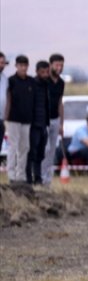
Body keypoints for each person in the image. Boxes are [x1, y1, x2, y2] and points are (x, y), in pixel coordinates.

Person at [5, 55, 35, 184]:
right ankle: (11, 174)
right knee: (13, 146)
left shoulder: (31, 81)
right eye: (20, 65)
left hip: (26, 120)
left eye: (25, 65)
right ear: (16, 66)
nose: (23, 68)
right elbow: (7, 99)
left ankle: (20, 175)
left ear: (28, 66)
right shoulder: (11, 81)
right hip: (13, 119)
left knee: (25, 147)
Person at [40, 53, 67, 185]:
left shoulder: (61, 83)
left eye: (61, 65)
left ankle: (47, 180)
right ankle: (39, 177)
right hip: (43, 120)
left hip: (55, 120)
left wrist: (61, 123)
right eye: (57, 65)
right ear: (50, 65)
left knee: (51, 152)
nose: (59, 67)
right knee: (45, 149)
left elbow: (60, 103)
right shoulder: (44, 81)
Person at [26, 60, 53, 184]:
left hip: (43, 124)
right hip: (33, 124)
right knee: (32, 152)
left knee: (41, 154)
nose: (45, 75)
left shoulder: (47, 85)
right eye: (43, 72)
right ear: (37, 72)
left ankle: (38, 177)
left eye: (47, 72)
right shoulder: (31, 84)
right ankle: (29, 178)